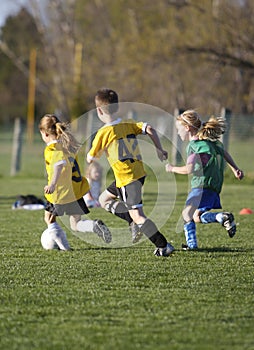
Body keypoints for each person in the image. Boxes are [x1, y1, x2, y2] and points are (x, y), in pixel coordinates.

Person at [86, 88, 174, 257]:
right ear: (117, 107)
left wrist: (94, 155)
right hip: (135, 175)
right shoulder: (128, 123)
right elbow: (150, 129)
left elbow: (90, 158)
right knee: (104, 199)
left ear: (98, 110)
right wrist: (159, 149)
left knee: (139, 215)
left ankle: (163, 245)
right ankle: (131, 221)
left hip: (128, 179)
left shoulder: (103, 133)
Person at [165, 109, 244, 250]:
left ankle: (192, 246)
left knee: (186, 213)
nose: (178, 133)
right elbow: (224, 153)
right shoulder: (211, 142)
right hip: (214, 186)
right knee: (197, 216)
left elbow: (189, 169)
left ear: (187, 128)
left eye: (179, 129)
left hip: (201, 186)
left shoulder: (195, 146)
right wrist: (235, 169)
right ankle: (222, 217)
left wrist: (172, 168)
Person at [39, 114, 112, 250]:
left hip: (60, 192)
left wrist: (53, 184)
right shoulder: (68, 146)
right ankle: (93, 226)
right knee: (75, 224)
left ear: (44, 133)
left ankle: (65, 247)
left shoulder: (52, 149)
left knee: (49, 219)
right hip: (75, 191)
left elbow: (59, 165)